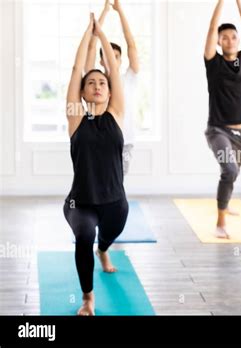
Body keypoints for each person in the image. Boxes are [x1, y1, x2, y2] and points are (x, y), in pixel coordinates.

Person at [64, 13, 128, 316]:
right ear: (82, 92)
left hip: (115, 202)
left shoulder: (115, 113)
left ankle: (104, 250)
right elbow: (78, 68)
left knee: (106, 238)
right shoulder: (76, 116)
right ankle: (88, 297)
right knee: (84, 236)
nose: (98, 85)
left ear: (111, 90)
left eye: (102, 82)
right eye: (91, 83)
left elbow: (114, 69)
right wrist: (86, 36)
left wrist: (102, 35)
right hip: (82, 202)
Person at [204, 0, 241, 238]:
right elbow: (212, 26)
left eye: (233, 36)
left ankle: (225, 202)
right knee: (230, 170)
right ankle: (220, 222)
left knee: (233, 174)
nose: (229, 40)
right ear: (218, 41)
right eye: (223, 37)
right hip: (219, 131)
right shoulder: (213, 63)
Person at [85, 0, 140, 175]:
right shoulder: (95, 82)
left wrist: (119, 10)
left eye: (116, 56)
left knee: (117, 184)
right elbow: (92, 46)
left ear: (120, 60)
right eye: (108, 56)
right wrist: (104, 12)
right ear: (101, 60)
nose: (112, 59)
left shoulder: (129, 78)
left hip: (125, 140)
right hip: (98, 138)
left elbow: (131, 45)